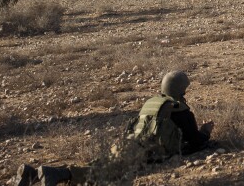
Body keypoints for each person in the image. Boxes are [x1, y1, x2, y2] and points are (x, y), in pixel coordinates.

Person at [16, 70, 213, 186]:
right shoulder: (180, 111)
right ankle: (58, 174)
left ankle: (33, 174)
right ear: (180, 89)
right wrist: (205, 133)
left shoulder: (153, 103)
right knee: (103, 173)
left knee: (100, 162)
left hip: (127, 143)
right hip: (143, 152)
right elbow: (195, 141)